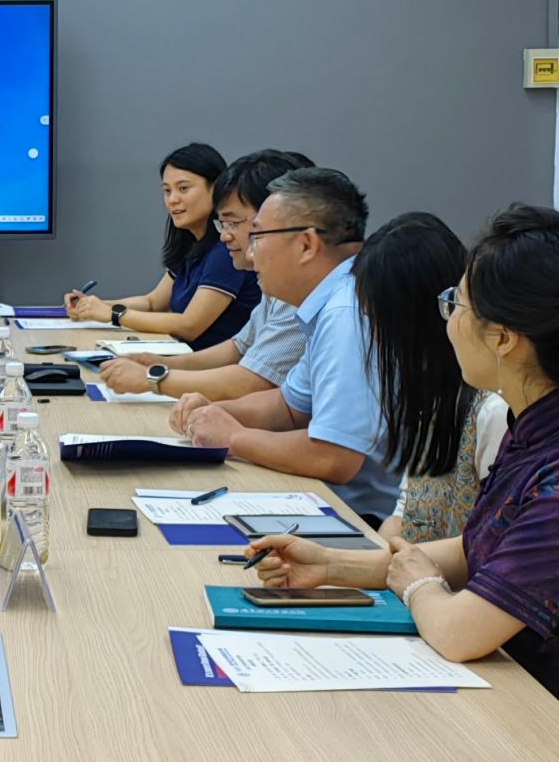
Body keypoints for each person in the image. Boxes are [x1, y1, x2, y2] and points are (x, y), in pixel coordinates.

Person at [250, 205, 559, 762]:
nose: (448, 320)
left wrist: (419, 584)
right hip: (520, 716)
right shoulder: (546, 429)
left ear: (503, 339)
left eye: (458, 304)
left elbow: (458, 631)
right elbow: (482, 550)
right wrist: (333, 566)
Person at [169, 168, 398, 524]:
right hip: (320, 497)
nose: (250, 253)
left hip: (359, 519)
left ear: (306, 245)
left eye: (258, 236)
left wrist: (235, 436)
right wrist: (213, 410)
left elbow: (335, 458)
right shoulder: (330, 301)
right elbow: (289, 407)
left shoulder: (346, 313)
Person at [99, 149, 312, 400]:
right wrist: (161, 363)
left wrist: (154, 378)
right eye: (167, 191)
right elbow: (238, 348)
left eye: (183, 188)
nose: (225, 235)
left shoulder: (303, 294)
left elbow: (253, 381)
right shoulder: (273, 284)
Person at [350, 212, 508, 543]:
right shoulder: (433, 393)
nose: (374, 335)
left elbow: (491, 545)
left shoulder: (494, 410)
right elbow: (409, 510)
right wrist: (379, 553)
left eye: (377, 319)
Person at [62, 142, 261, 350]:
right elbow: (153, 303)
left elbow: (190, 326)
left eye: (183, 189)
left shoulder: (226, 249)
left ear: (215, 189)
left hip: (211, 364)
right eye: (167, 190)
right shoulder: (191, 243)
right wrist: (93, 306)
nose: (172, 200)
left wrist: (112, 314)